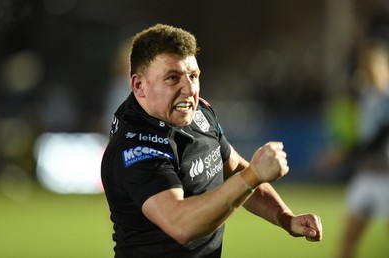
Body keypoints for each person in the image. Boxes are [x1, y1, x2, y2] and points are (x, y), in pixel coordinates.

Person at [101, 24, 323, 258]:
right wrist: (254, 175)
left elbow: (235, 168)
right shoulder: (135, 147)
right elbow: (181, 225)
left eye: (193, 76)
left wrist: (285, 218)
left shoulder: (200, 114)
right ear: (139, 86)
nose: (189, 89)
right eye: (173, 78)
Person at [337, 39, 389, 258]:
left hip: (387, 176)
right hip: (367, 174)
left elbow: (378, 136)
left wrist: (344, 154)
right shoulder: (365, 99)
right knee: (346, 244)